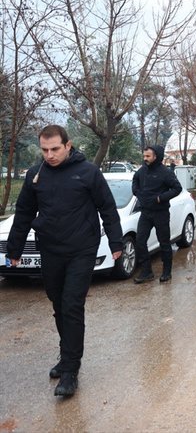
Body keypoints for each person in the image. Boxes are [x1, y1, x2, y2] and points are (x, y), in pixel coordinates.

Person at [6, 125, 123, 397]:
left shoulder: (88, 173)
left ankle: (71, 369)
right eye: (44, 150)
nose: (49, 155)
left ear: (68, 146)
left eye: (55, 149)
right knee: (57, 302)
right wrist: (15, 249)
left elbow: (106, 206)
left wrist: (116, 242)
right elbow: (24, 213)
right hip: (50, 248)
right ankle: (66, 353)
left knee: (71, 304)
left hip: (81, 249)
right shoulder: (36, 176)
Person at [132, 145, 183, 284]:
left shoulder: (165, 172)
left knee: (164, 243)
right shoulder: (141, 171)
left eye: (148, 156)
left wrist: (161, 198)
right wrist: (137, 192)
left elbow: (177, 188)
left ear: (156, 157)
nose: (145, 159)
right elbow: (135, 181)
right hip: (145, 212)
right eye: (144, 156)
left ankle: (167, 272)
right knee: (140, 241)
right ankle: (146, 272)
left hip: (161, 213)